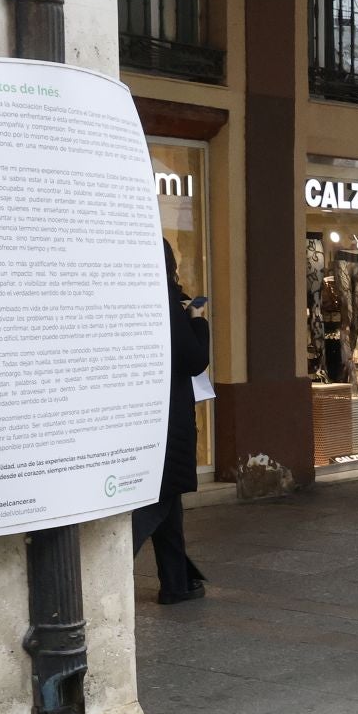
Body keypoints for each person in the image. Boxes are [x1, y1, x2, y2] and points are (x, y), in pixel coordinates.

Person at [133, 241, 212, 604]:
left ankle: (177, 583)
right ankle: (106, 575)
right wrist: (198, 322)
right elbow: (193, 361)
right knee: (157, 498)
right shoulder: (166, 302)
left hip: (141, 411)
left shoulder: (133, 296)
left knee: (169, 501)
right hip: (168, 416)